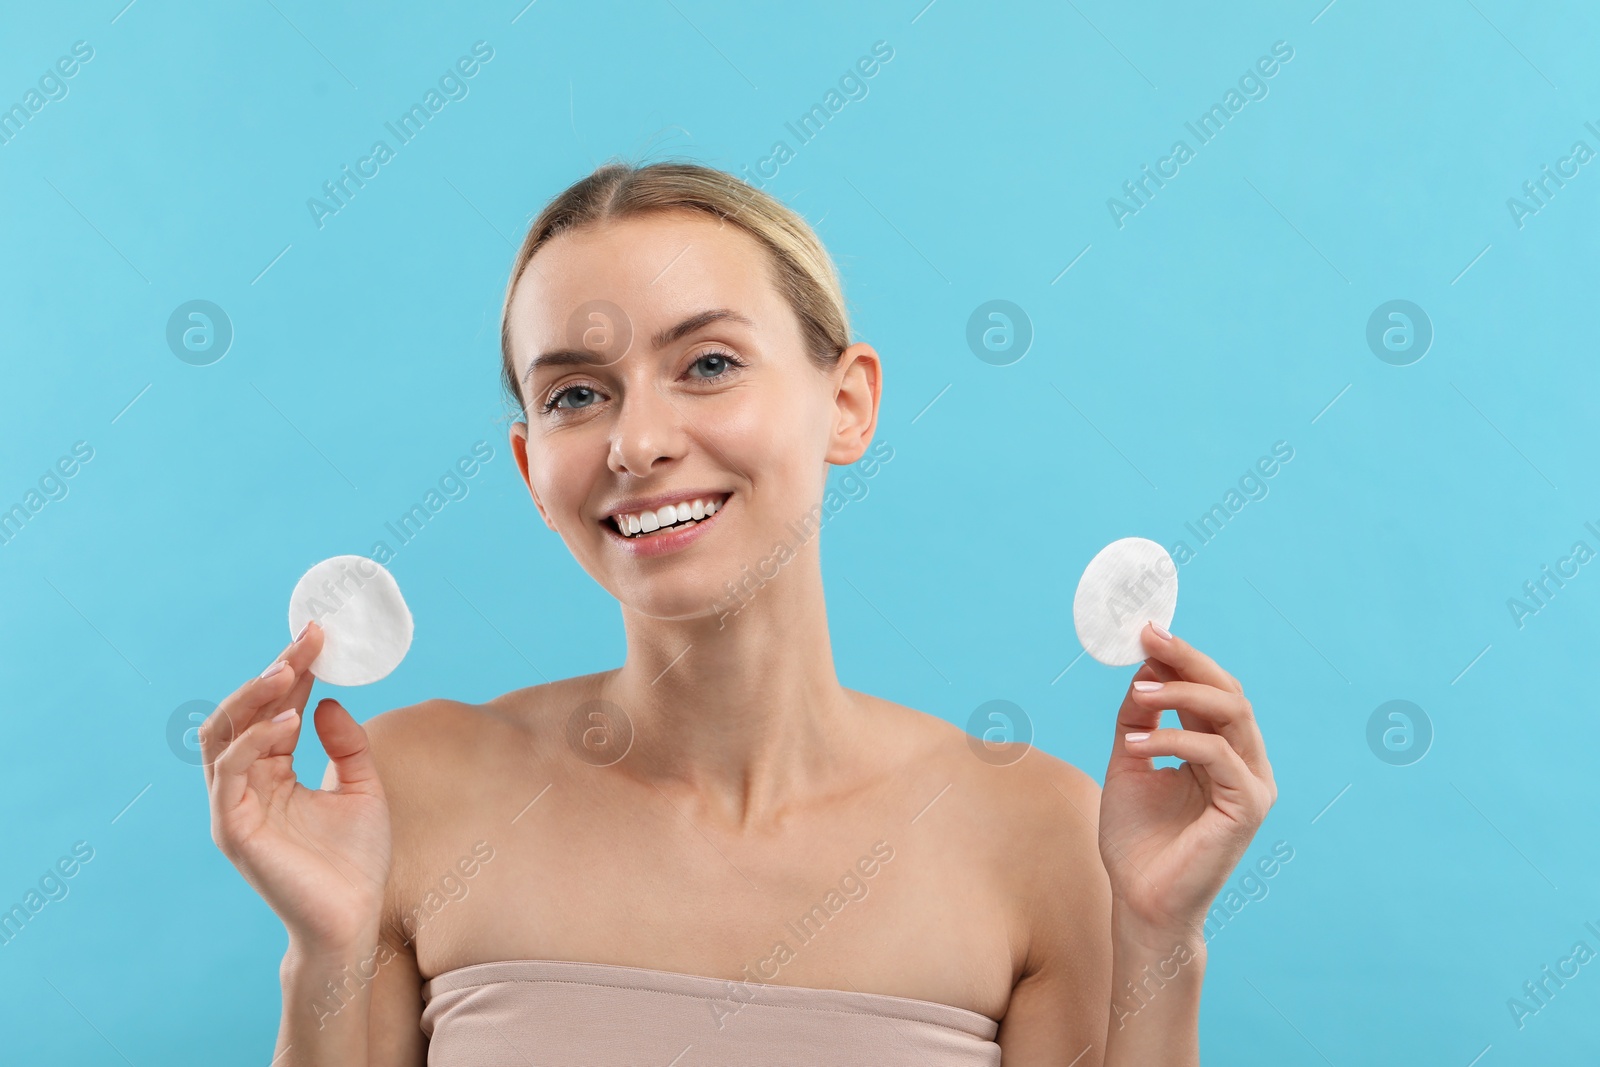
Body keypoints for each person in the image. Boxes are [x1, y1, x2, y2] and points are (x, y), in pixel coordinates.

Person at [201, 160, 1276, 1065]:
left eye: (707, 363)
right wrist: (324, 952)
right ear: (533, 466)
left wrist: (1157, 938)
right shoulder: (407, 791)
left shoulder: (1041, 834)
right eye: (577, 392)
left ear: (846, 402)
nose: (637, 441)